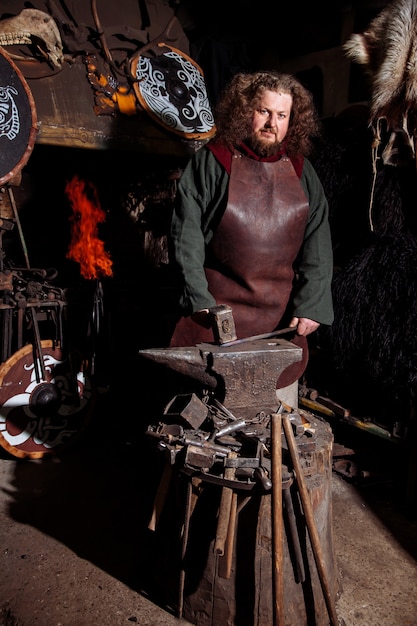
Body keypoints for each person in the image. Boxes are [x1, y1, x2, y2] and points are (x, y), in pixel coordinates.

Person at [168, 70, 334, 388]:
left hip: (280, 324)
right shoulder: (213, 161)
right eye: (264, 112)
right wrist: (198, 298)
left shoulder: (302, 171)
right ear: (246, 111)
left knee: (272, 423)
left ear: (292, 120)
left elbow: (318, 239)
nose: (273, 124)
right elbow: (185, 234)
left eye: (282, 115)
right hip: (214, 318)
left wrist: (312, 303)